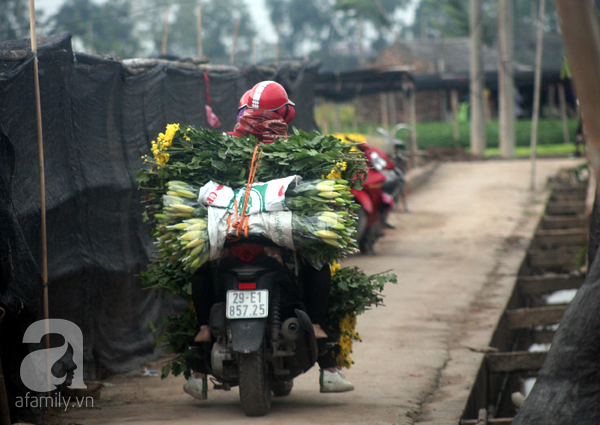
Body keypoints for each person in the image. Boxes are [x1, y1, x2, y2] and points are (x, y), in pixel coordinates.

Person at [183, 81, 354, 400]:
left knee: (202, 268)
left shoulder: (222, 147)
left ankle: (201, 353)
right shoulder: (294, 150)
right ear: (285, 114)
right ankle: (324, 356)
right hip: (277, 240)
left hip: (230, 237)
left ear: (244, 110)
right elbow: (312, 195)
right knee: (318, 264)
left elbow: (197, 190)